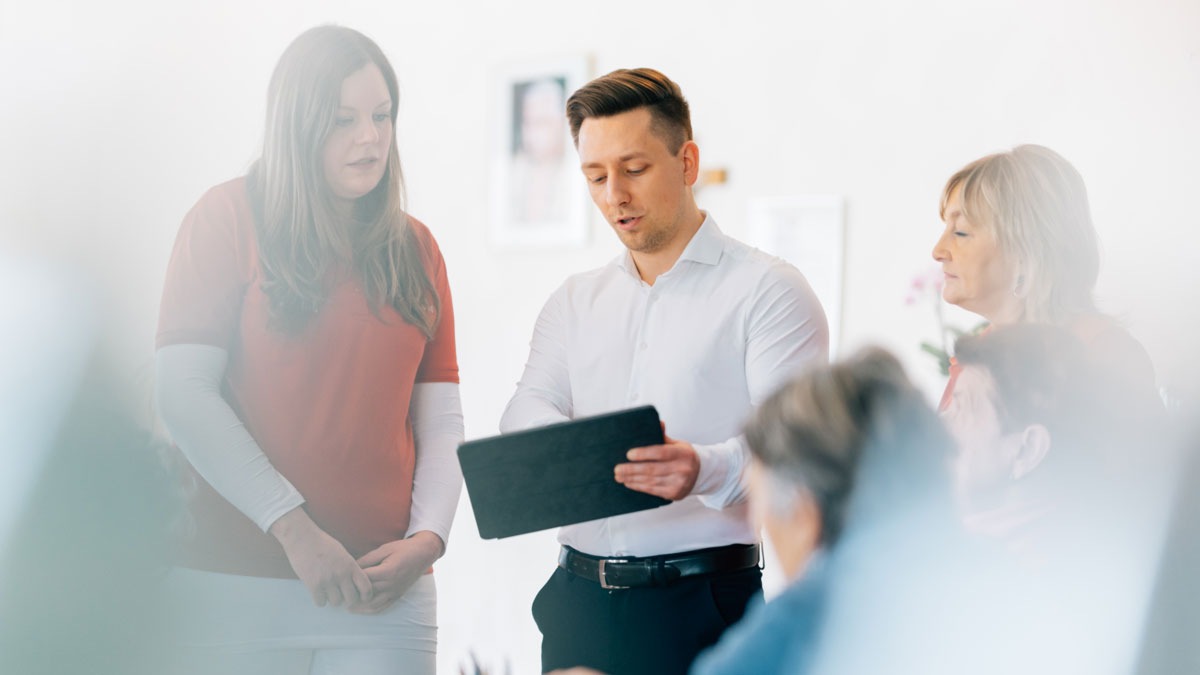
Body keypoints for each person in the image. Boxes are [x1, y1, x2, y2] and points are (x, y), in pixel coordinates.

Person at [154, 26, 462, 675]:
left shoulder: (417, 249)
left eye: (382, 116)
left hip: (386, 596)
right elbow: (182, 393)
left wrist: (429, 537)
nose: (371, 138)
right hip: (232, 587)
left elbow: (442, 423)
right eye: (344, 120)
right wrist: (294, 530)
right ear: (297, 126)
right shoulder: (224, 218)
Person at [500, 68, 829, 675]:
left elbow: (799, 458)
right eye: (595, 176)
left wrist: (702, 468)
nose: (613, 195)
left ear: (687, 161)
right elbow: (527, 405)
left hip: (703, 606)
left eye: (634, 169)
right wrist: (580, 448)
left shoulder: (769, 292)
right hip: (575, 604)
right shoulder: (573, 301)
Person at [691, 347, 960, 675]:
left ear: (804, 514)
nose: (759, 522)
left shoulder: (810, 612)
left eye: (759, 505)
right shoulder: (988, 574)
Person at [931, 144, 1160, 417]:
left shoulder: (1105, 357)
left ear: (1026, 251)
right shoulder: (976, 358)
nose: (938, 251)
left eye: (960, 232)